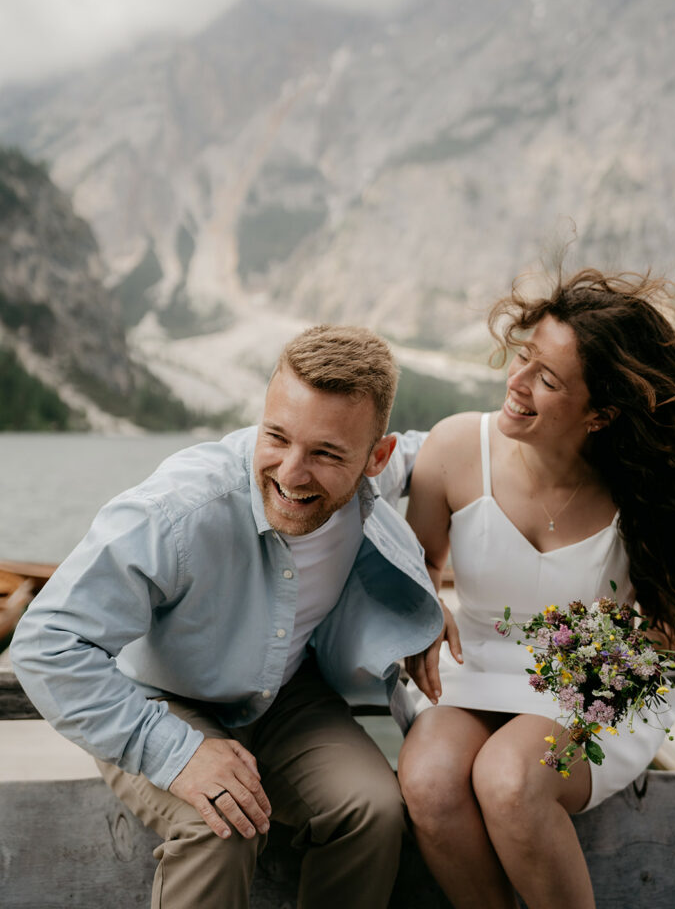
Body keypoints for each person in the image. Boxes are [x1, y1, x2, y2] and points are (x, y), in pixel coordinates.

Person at [11, 324, 443, 909]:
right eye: (277, 436)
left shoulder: (376, 474)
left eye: (325, 453)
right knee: (222, 825)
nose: (291, 473)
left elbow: (448, 446)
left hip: (287, 697)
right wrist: (174, 752)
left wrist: (427, 597)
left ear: (376, 458)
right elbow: (46, 642)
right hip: (159, 699)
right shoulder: (176, 511)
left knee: (371, 810)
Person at [397, 268, 675, 909]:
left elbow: (667, 633)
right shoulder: (455, 447)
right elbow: (418, 569)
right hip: (477, 665)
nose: (516, 382)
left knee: (511, 777)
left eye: (547, 379)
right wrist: (425, 608)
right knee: (430, 781)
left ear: (601, 414)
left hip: (598, 673)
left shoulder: (648, 487)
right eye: (523, 356)